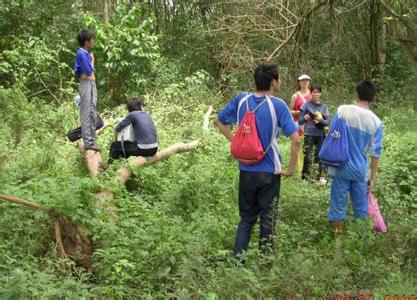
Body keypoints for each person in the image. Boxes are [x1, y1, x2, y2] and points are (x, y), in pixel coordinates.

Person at [215, 62, 301, 257]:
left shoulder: (241, 99)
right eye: (278, 78)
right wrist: (291, 169)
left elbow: (219, 120)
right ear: (273, 82)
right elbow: (296, 140)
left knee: (246, 218)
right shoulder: (278, 105)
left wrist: (236, 140)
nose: (280, 81)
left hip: (246, 170)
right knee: (268, 218)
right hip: (270, 171)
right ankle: (266, 261)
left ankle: (238, 260)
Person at [327, 80, 383, 230]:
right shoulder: (376, 122)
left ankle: (337, 245)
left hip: (340, 166)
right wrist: (372, 178)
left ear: (357, 94)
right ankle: (362, 242)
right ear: (373, 98)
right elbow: (375, 154)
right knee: (361, 209)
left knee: (337, 209)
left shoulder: (342, 111)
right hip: (360, 171)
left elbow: (332, 134)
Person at [108, 98, 158, 163]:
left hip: (145, 149)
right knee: (125, 148)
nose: (143, 107)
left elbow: (118, 128)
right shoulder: (147, 115)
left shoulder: (132, 115)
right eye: (142, 105)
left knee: (114, 145)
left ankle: (109, 167)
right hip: (154, 149)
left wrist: (115, 138)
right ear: (138, 106)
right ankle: (120, 165)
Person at [74, 29, 100, 152]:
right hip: (86, 84)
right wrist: (92, 61)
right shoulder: (81, 53)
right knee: (87, 112)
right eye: (91, 40)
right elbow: (88, 71)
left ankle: (92, 140)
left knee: (92, 111)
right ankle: (88, 142)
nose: (93, 41)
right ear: (86, 42)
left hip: (90, 83)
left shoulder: (86, 53)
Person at [298, 84, 329, 184]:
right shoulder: (306, 105)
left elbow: (327, 122)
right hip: (309, 133)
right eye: (314, 92)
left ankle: (317, 178)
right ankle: (305, 178)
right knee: (307, 155)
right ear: (311, 93)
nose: (316, 94)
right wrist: (305, 118)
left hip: (320, 134)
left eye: (318, 92)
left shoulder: (324, 107)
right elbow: (300, 121)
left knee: (319, 156)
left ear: (320, 93)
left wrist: (320, 120)